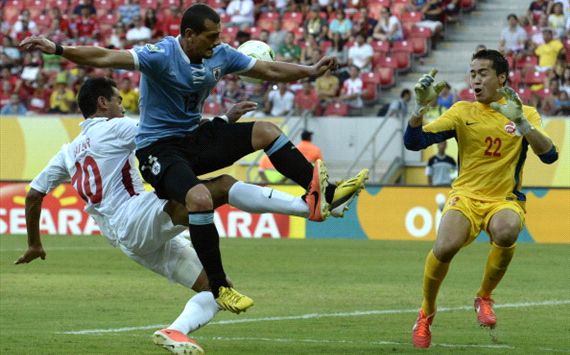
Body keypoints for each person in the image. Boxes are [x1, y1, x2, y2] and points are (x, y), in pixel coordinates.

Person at [20, 3, 367, 316]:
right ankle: (219, 286)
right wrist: (58, 49)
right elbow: (106, 57)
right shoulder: (160, 55)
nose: (217, 43)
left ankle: (322, 194)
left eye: (219, 36)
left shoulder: (222, 55)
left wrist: (309, 70)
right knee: (200, 197)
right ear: (188, 35)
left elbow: (270, 71)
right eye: (211, 37)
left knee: (265, 131)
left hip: (193, 140)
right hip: (159, 150)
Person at [15, 77, 362, 354]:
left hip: (129, 239)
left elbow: (33, 196)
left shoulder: (66, 152)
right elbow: (171, 136)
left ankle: (175, 332)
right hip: (136, 217)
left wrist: (34, 243)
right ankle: (310, 206)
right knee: (221, 186)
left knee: (217, 291)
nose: (124, 106)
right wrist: (224, 121)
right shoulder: (114, 128)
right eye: (120, 100)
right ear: (103, 103)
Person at [404, 50, 558, 348]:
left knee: (507, 228)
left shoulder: (524, 112)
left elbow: (550, 155)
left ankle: (484, 297)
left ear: (501, 78)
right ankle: (426, 313)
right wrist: (419, 109)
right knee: (445, 247)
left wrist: (524, 126)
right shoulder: (462, 111)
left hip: (504, 199)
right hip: (466, 196)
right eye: (472, 73)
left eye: (483, 73)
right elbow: (414, 142)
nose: (475, 79)